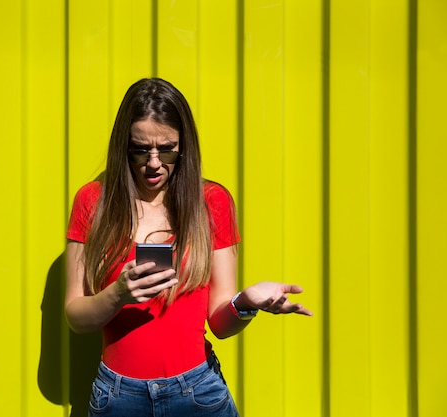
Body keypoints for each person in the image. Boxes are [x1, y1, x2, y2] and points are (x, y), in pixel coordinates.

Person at [65, 78, 312, 417]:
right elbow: (75, 317)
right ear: (123, 146)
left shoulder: (211, 203)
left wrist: (247, 302)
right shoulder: (93, 202)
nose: (154, 163)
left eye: (167, 149)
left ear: (184, 146)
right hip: (118, 397)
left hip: (197, 393)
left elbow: (220, 324)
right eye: (141, 149)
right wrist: (118, 295)